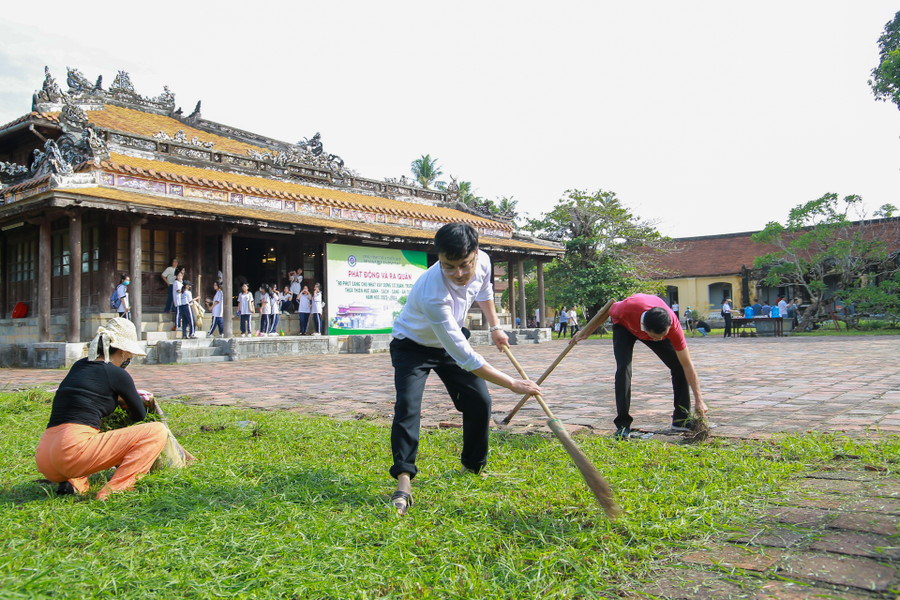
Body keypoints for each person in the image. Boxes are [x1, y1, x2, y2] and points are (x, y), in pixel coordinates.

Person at [388, 223, 542, 514]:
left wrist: (495, 326)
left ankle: (472, 467)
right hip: (412, 346)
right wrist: (513, 384)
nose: (458, 274)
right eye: (448, 267)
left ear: (476, 253)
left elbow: (484, 290)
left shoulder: (483, 262)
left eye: (464, 265)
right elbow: (467, 358)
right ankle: (403, 481)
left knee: (479, 401)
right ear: (439, 259)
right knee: (408, 406)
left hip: (448, 343)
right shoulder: (433, 294)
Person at [35, 318, 168, 500]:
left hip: (45, 458)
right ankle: (114, 491)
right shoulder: (118, 374)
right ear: (122, 352)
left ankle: (75, 483)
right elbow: (139, 415)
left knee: (91, 435)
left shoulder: (79, 365)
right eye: (129, 358)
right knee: (156, 431)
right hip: (71, 452)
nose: (128, 362)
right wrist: (126, 398)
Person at [577, 293, 707, 440]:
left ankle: (681, 420)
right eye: (656, 337)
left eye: (663, 336)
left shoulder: (673, 326)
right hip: (624, 325)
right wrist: (586, 332)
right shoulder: (623, 309)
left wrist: (699, 400)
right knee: (624, 369)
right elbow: (607, 310)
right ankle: (623, 425)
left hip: (649, 325)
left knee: (679, 366)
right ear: (644, 328)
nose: (659, 340)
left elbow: (687, 364)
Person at [171, 266, 185, 331]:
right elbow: (179, 291)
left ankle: (180, 325)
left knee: (181, 314)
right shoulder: (176, 282)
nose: (179, 277)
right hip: (178, 301)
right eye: (178, 276)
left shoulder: (181, 282)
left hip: (181, 301)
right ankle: (177, 326)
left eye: (181, 276)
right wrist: (185, 290)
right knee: (178, 314)